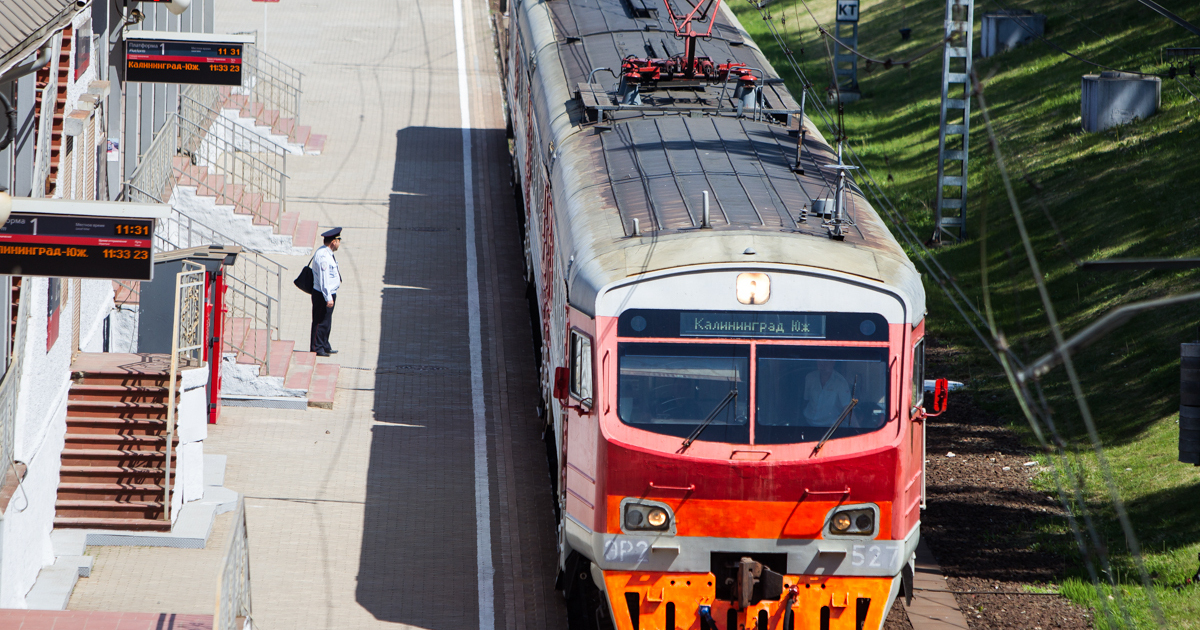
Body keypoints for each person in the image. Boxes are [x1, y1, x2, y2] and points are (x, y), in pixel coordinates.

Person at [310, 227, 342, 357]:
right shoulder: (324, 257)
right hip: (323, 294)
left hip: (328, 293)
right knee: (320, 321)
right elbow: (324, 280)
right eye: (339, 240)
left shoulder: (327, 253)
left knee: (327, 321)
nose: (340, 243)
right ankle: (317, 347)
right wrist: (328, 297)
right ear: (333, 242)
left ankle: (324, 344)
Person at [803, 360, 851, 425]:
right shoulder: (810, 377)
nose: (822, 365)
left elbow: (847, 408)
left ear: (833, 362)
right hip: (808, 423)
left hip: (830, 427)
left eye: (826, 362)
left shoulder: (841, 382)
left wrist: (857, 429)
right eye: (820, 362)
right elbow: (806, 399)